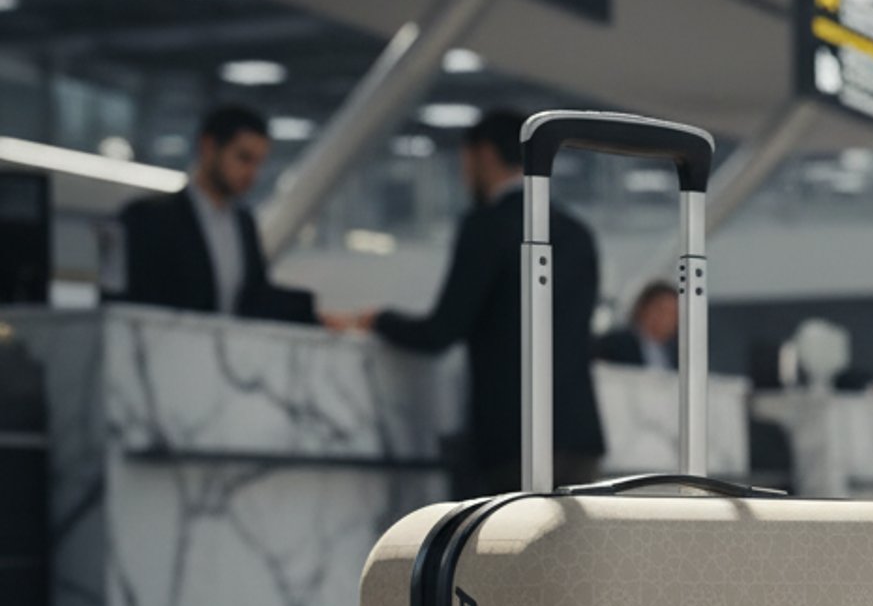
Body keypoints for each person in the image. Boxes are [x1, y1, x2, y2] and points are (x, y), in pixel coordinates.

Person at [330, 108, 604, 494]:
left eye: (464, 162)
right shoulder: (579, 233)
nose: (463, 175)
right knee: (569, 554)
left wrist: (376, 320)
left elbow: (442, 330)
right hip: (580, 436)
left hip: (512, 439)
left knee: (501, 553)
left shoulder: (487, 225)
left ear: (485, 155)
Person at [115, 104, 314, 321]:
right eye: (244, 158)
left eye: (258, 163)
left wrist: (317, 318)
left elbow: (254, 298)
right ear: (209, 147)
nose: (251, 173)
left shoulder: (244, 224)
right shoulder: (149, 218)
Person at [592, 278, 677, 370]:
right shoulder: (612, 345)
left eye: (673, 313)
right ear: (643, 307)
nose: (666, 319)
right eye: (661, 310)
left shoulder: (680, 354)